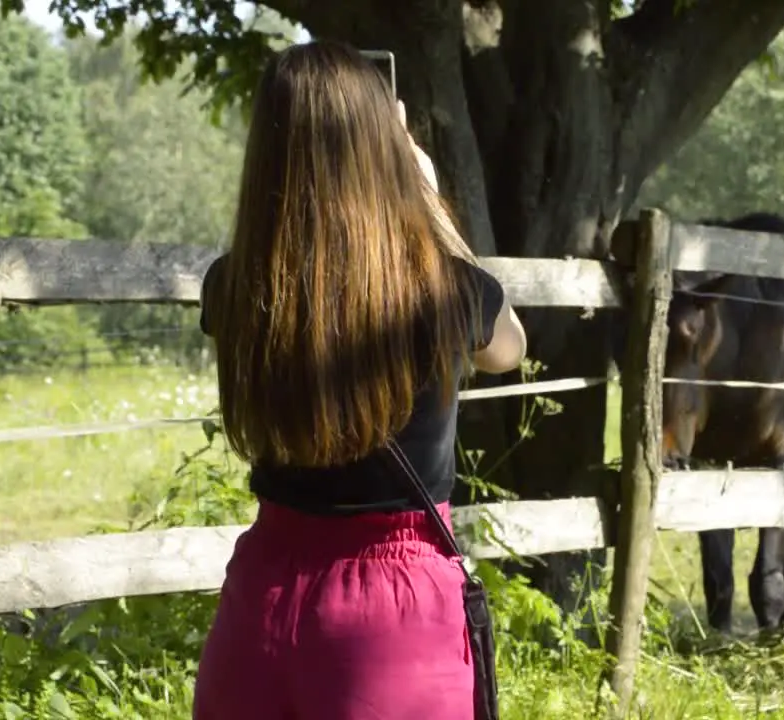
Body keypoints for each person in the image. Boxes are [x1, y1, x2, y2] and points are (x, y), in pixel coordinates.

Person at [192, 39, 527, 720]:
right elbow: (510, 348)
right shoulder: (439, 291)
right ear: (382, 147)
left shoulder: (235, 287)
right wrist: (425, 199)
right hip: (391, 614)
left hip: (262, 595)